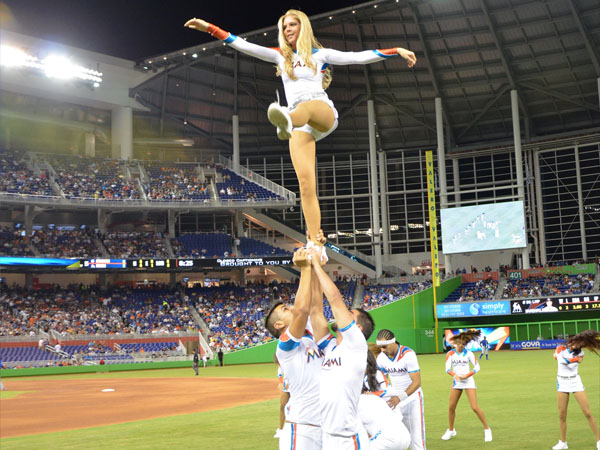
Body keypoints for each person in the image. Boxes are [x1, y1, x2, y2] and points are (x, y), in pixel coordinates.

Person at [184, 11, 416, 254]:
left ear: (303, 26)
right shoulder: (279, 56)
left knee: (303, 109)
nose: (288, 30)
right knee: (306, 186)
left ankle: (285, 120)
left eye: (292, 24)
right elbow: (243, 45)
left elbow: (358, 57)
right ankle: (315, 241)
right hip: (299, 127)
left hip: (321, 111)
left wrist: (395, 50)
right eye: (284, 27)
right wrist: (210, 28)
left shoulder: (321, 55)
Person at [307, 245, 375, 449]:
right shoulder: (331, 347)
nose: (344, 314)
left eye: (350, 314)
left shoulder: (356, 344)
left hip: (349, 439)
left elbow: (335, 300)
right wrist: (311, 267)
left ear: (358, 327)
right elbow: (315, 311)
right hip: (327, 435)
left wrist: (318, 265)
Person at [264, 247, 329, 449]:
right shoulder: (285, 346)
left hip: (327, 426)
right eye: (284, 310)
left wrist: (316, 252)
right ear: (278, 325)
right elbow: (301, 311)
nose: (290, 307)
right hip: (301, 431)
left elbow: (315, 302)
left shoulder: (311, 331)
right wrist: (304, 269)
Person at [376, 329, 426, 450]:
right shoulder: (382, 358)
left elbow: (417, 382)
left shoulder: (408, 354)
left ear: (393, 342)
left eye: (384, 346)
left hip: (412, 398)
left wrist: (400, 397)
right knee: (394, 437)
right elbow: (381, 381)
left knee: (416, 438)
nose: (382, 350)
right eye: (380, 347)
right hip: (394, 400)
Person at [551, 329, 600, 450]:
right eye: (574, 341)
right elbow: (563, 361)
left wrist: (573, 359)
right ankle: (563, 443)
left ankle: (599, 441)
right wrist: (573, 360)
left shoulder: (580, 353)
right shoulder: (560, 348)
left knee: (587, 413)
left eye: (579, 344)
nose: (575, 344)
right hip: (562, 382)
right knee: (562, 415)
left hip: (575, 381)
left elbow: (564, 360)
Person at [441, 330, 492, 442]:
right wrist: (455, 375)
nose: (460, 346)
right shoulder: (450, 354)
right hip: (457, 382)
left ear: (465, 345)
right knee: (451, 407)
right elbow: (447, 369)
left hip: (468, 381)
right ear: (455, 343)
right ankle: (451, 430)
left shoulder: (469, 353)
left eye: (463, 344)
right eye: (459, 343)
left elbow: (477, 367)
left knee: (474, 407)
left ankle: (487, 430)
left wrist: (466, 375)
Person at [361, 349, 411, 450]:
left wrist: (373, 394)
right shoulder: (361, 378)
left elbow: (392, 391)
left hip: (389, 414)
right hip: (374, 418)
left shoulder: (377, 374)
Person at [273, 354, 291, 440]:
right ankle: (280, 429)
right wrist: (280, 382)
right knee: (282, 406)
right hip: (287, 386)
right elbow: (279, 373)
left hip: (299, 386)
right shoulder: (282, 361)